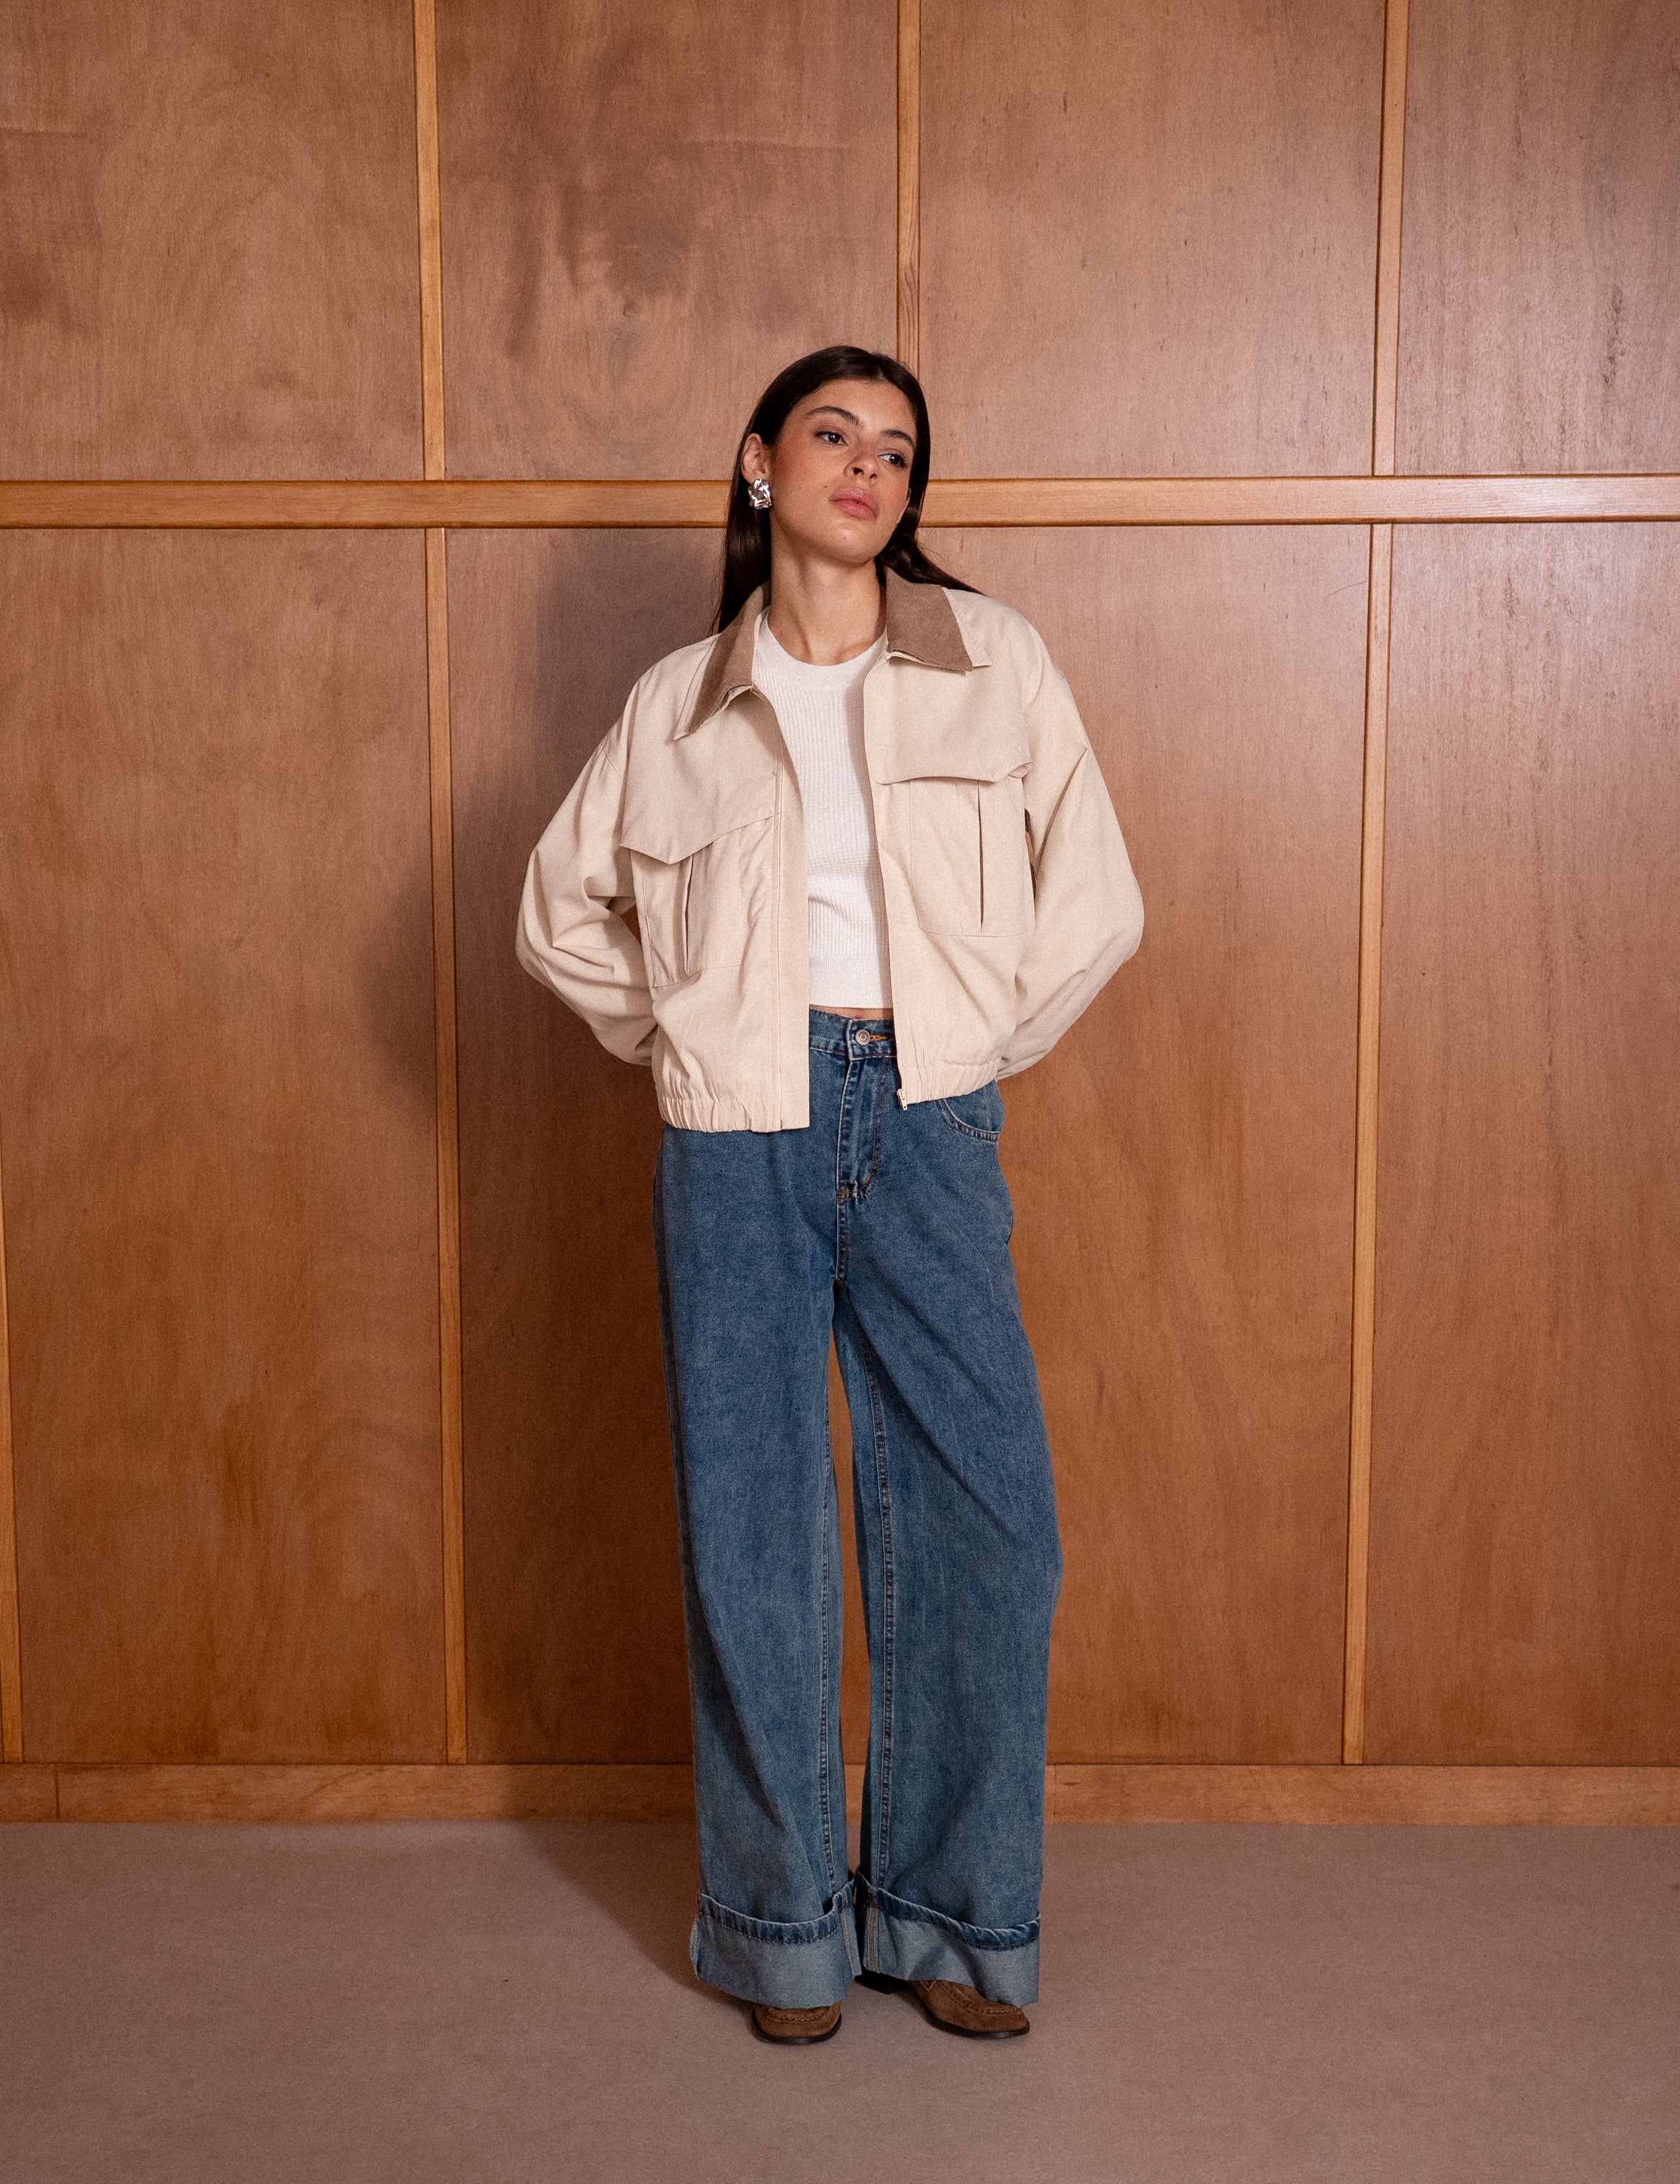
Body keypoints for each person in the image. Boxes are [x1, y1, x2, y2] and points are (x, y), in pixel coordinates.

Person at [516, 344, 1144, 2045]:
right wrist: (691, 1040)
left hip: (926, 1112)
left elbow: (1095, 901)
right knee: (756, 1526)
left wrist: (961, 1051)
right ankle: (783, 1928)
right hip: (735, 1131)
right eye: (835, 434)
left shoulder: (991, 661)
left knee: (989, 1520)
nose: (870, 468)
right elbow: (557, 911)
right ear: (759, 463)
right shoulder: (679, 701)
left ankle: (950, 1915)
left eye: (899, 450)